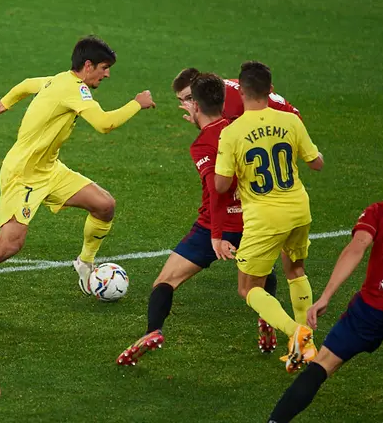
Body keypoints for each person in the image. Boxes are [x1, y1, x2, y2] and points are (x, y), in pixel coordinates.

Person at [269, 152, 383, 422]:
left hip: (377, 306)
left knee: (323, 364)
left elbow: (356, 248)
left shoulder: (380, 210)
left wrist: (326, 296)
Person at [117, 72, 279, 366]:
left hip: (213, 228)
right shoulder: (241, 128)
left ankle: (153, 331)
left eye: (186, 102)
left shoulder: (203, 145)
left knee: (165, 281)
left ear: (195, 105)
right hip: (254, 222)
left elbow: (216, 192)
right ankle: (266, 317)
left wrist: (217, 235)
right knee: (261, 275)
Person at [0, 36, 155, 294]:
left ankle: (85, 263)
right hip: (23, 174)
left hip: (50, 169)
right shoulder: (74, 88)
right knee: (8, 246)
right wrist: (138, 103)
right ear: (89, 65)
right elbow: (104, 124)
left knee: (105, 205)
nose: (108, 74)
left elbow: (27, 84)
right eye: (105, 68)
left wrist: (3, 104)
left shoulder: (58, 79)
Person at [214, 61, 325, 372]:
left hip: (265, 218)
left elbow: (221, 185)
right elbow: (316, 163)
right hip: (299, 209)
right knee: (296, 269)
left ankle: (296, 334)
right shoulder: (290, 121)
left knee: (248, 288)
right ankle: (306, 346)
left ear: (240, 93)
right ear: (271, 90)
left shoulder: (232, 131)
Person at [171, 67, 301, 122]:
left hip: (287, 121)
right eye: (181, 100)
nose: (186, 104)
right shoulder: (213, 91)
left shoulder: (223, 100)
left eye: (189, 98)